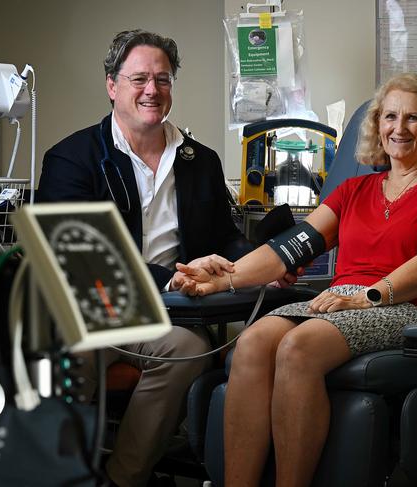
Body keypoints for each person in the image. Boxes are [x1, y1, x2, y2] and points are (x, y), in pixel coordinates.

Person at [172, 72, 417, 487]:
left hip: (411, 306)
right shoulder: (354, 190)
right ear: (377, 125)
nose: (398, 128)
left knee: (298, 347)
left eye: (413, 119)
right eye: (389, 117)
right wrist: (221, 279)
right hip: (342, 301)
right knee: (252, 342)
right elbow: (290, 247)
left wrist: (371, 295)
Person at [36, 29, 255, 487]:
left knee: (190, 351)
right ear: (112, 85)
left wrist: (256, 264)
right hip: (89, 309)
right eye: (139, 79)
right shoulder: (71, 159)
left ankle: (123, 478)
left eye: (162, 79)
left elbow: (224, 237)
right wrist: (172, 278)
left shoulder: (201, 161)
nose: (152, 90)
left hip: (169, 317)